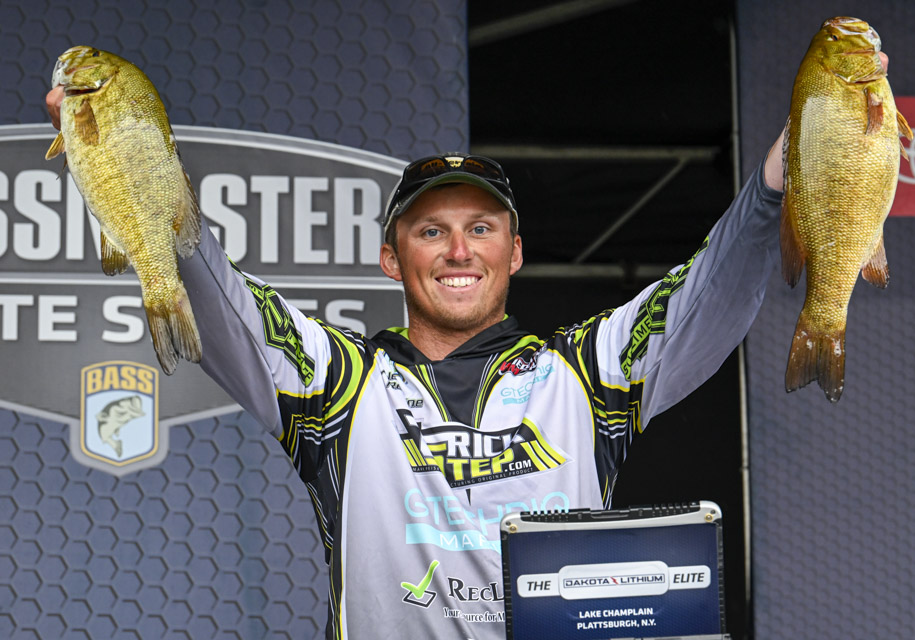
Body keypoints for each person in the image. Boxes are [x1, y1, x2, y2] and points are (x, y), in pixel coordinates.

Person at [47, 83, 783, 639]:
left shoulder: (587, 373)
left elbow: (708, 293)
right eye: (431, 231)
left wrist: (779, 185)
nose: (459, 251)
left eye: (481, 228)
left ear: (514, 253)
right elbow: (218, 296)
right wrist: (138, 167)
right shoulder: (335, 383)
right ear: (391, 259)